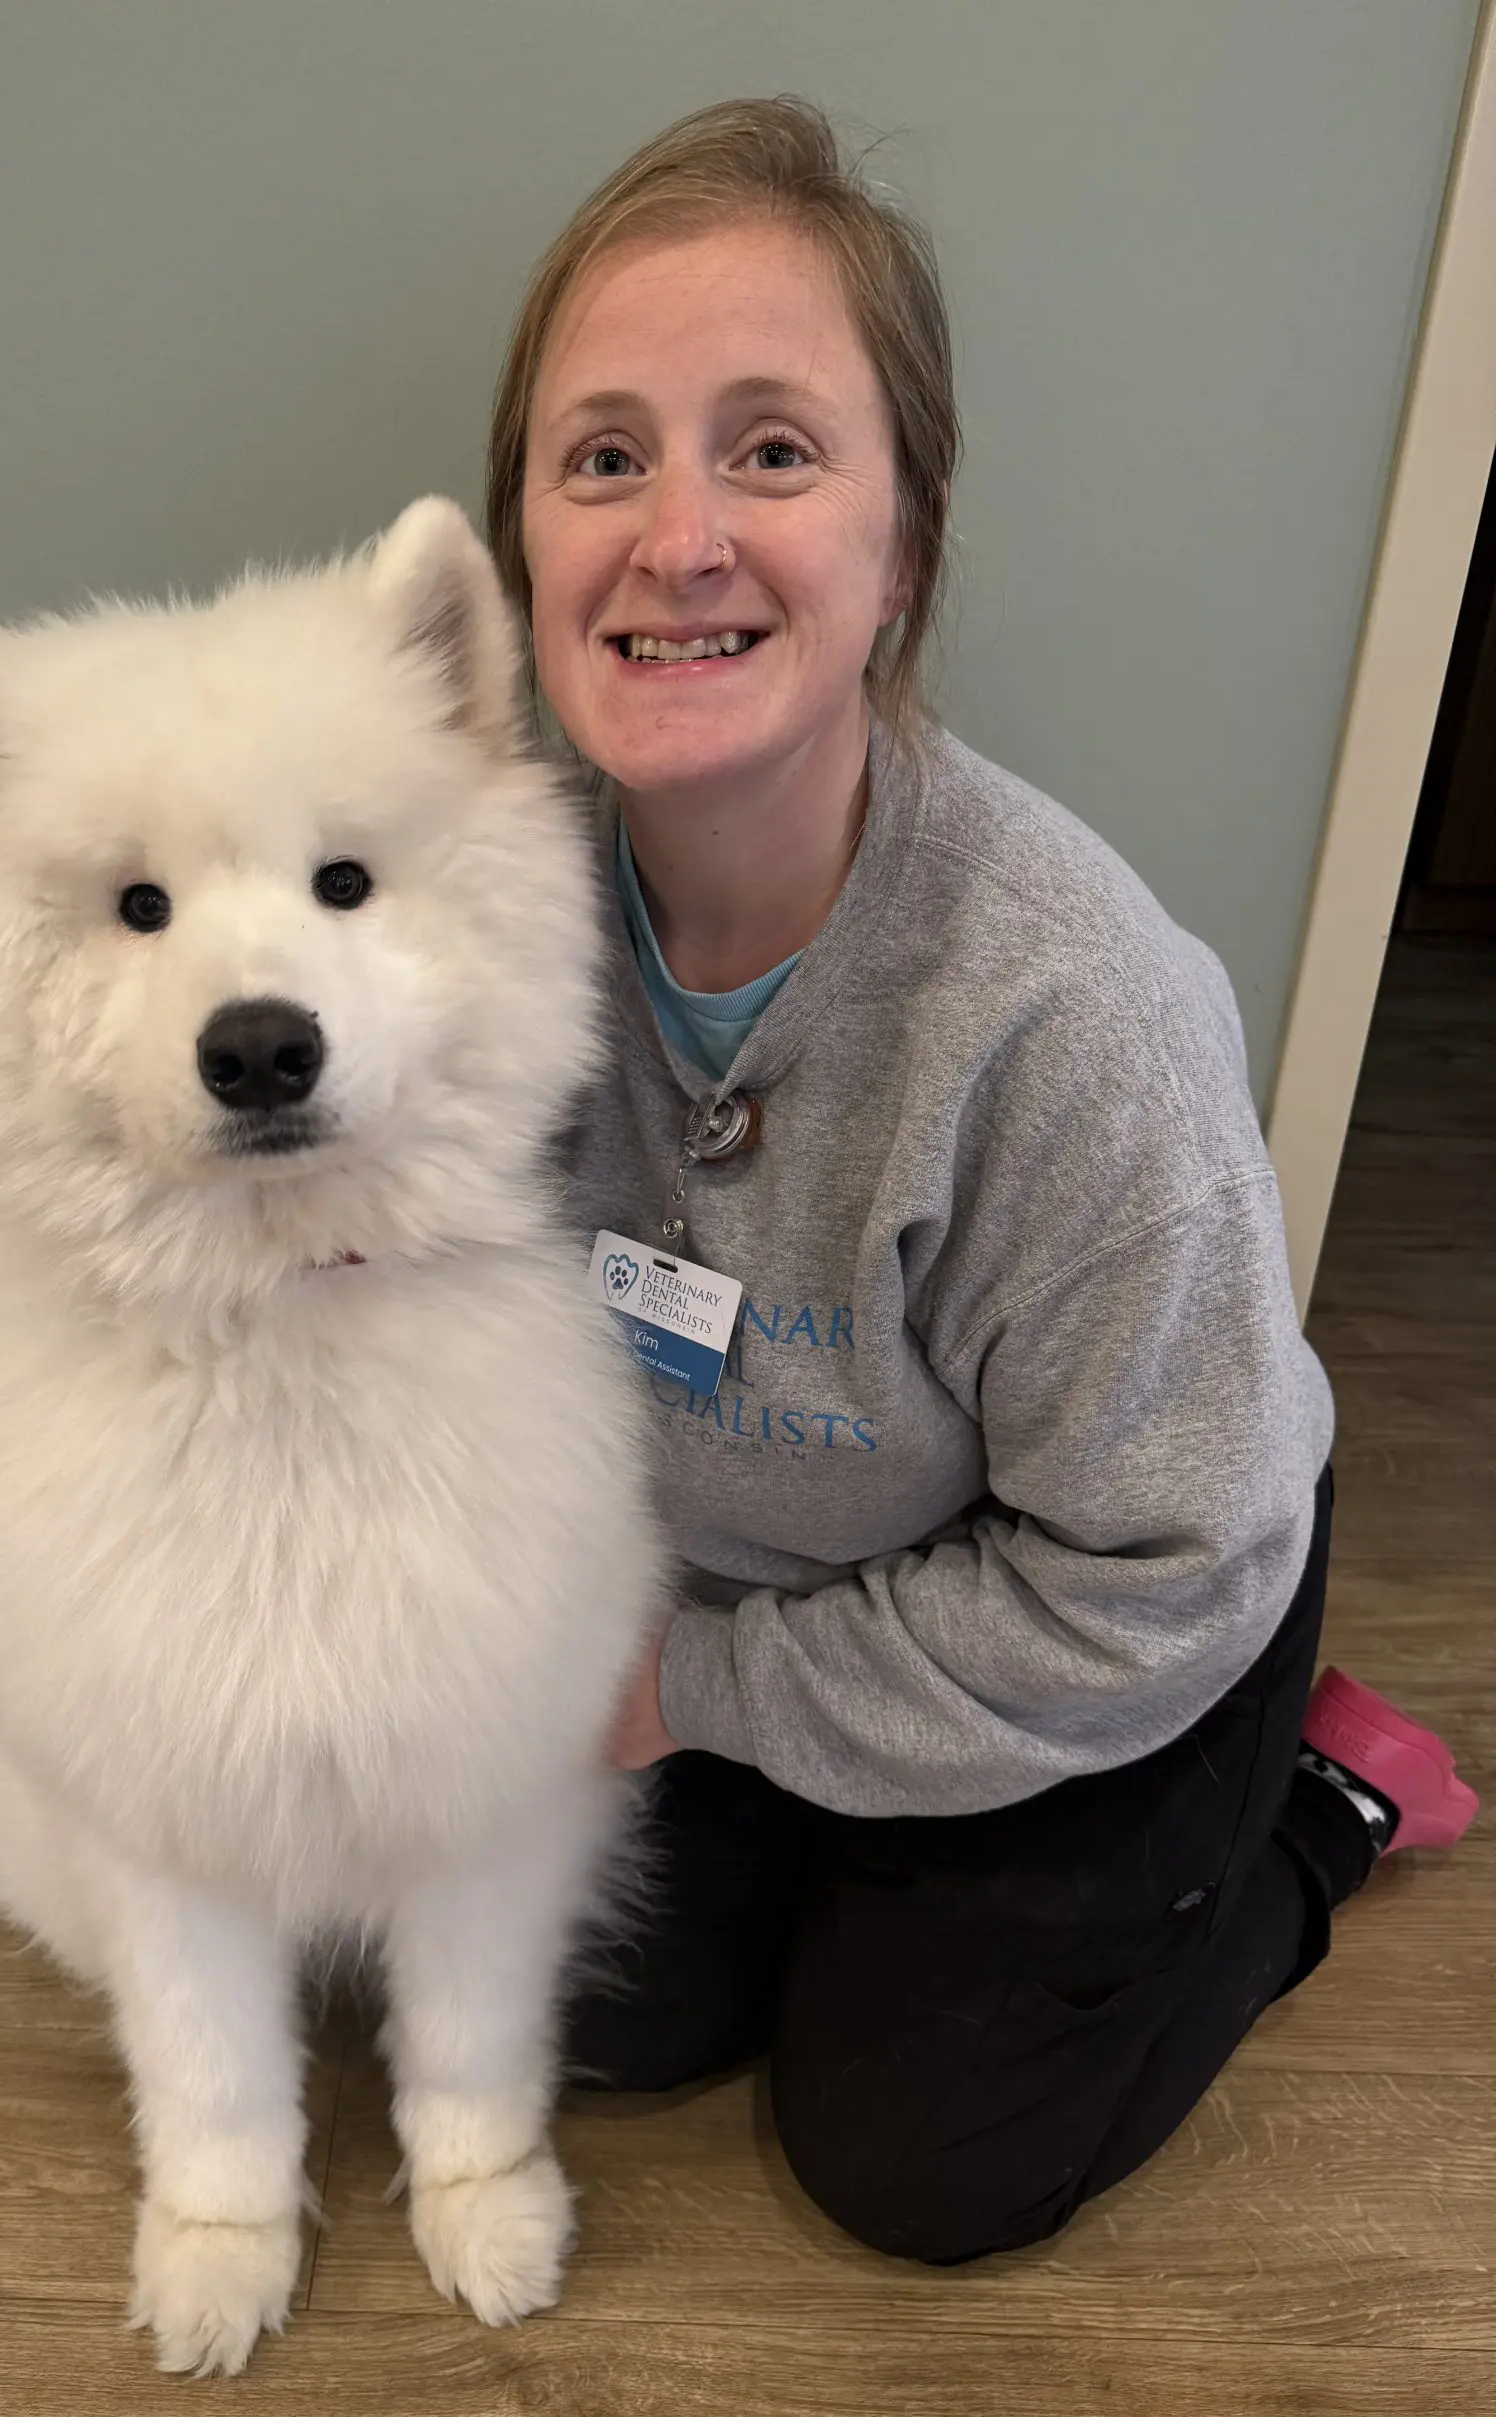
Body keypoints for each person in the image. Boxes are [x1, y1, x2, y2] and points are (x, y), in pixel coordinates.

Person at [484, 96, 1478, 2263]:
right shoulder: (461, 930)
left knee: (924, 2160)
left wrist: (687, 1698)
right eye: (604, 458)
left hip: (1123, 1581)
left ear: (907, 547)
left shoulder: (1073, 1020)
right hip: (742, 1587)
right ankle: (851, 1855)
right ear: (525, 551)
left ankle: (1318, 1802)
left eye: (772, 450)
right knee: (593, 2008)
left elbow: (1154, 1565)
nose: (679, 536)